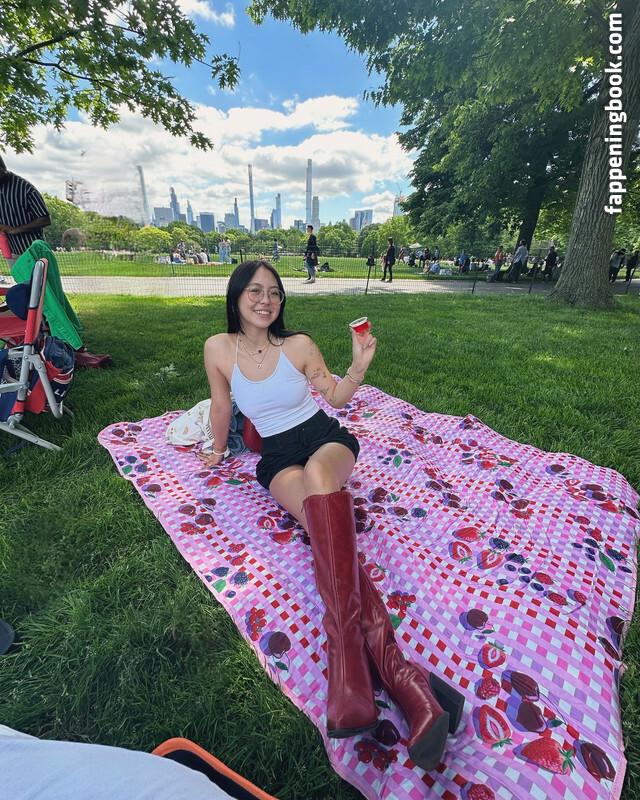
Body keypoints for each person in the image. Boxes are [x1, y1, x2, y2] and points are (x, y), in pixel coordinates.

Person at [198, 260, 460, 771]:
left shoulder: (298, 345)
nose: (266, 300)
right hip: (276, 456)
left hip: (325, 439)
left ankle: (347, 665)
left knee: (320, 480)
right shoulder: (217, 348)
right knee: (324, 528)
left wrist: (358, 365)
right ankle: (405, 678)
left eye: (274, 293)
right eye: (255, 291)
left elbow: (335, 397)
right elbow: (221, 404)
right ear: (236, 295)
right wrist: (216, 448)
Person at [0, 156, 51, 281]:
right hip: (12, 251)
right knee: (22, 288)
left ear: (2, 168)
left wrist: (17, 229)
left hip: (33, 252)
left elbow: (45, 219)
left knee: (40, 290)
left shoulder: (25, 188)